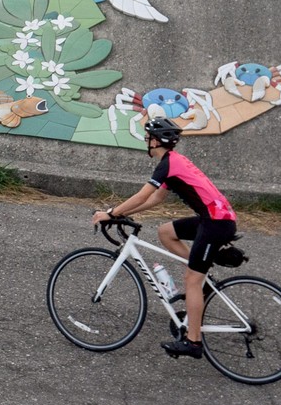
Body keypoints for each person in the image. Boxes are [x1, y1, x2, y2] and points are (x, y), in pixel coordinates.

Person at [93, 116, 238, 360]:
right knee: (165, 232)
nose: (146, 140)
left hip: (216, 223)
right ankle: (203, 270)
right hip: (214, 219)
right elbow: (155, 199)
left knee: (191, 280)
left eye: (148, 137)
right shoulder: (172, 162)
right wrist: (122, 214)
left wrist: (111, 213)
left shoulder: (168, 164)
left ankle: (193, 343)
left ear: (157, 141)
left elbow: (141, 196)